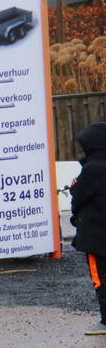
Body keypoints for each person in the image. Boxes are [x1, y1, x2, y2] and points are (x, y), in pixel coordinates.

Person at [70, 122, 106, 334]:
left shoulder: (92, 170)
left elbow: (78, 196)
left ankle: (105, 321)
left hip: (94, 235)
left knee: (100, 278)